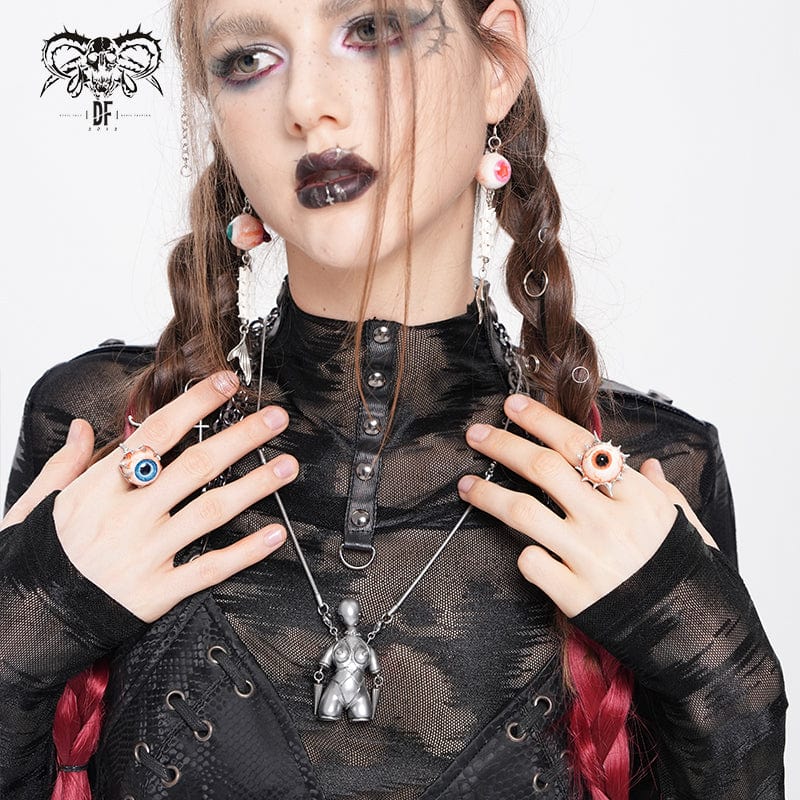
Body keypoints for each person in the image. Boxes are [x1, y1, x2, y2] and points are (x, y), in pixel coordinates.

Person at [0, 0, 787, 798]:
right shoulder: (108, 437)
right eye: (247, 61)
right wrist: (22, 628)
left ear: (497, 63)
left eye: (370, 29)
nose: (307, 105)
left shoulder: (642, 474)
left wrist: (729, 683)